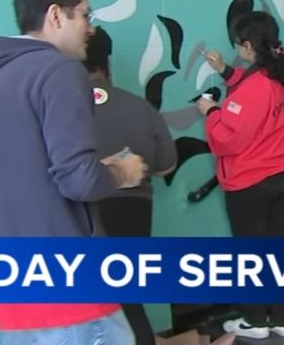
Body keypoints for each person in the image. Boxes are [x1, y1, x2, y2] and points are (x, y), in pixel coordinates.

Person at [0, 0, 147, 345]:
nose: (90, 29)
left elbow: (22, 171)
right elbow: (79, 180)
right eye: (86, 15)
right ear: (57, 14)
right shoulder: (58, 70)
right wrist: (123, 171)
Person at [195, 11, 284, 340]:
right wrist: (225, 72)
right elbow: (256, 97)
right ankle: (283, 319)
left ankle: (256, 321)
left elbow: (229, 138)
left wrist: (211, 112)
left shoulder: (256, 87)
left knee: (250, 254)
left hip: (251, 182)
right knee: (278, 250)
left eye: (235, 47)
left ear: (246, 46)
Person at [84, 26, 178, 345]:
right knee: (130, 302)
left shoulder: (59, 110)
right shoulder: (142, 107)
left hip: (82, 214)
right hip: (135, 212)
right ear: (107, 63)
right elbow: (167, 166)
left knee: (86, 307)